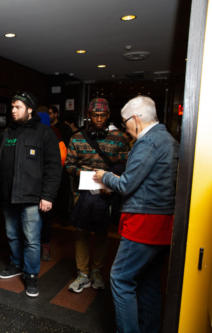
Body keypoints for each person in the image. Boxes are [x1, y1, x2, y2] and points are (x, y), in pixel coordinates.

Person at [94, 96, 178, 333]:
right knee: (149, 281)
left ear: (136, 119)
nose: (125, 128)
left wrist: (105, 176)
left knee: (120, 279)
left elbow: (126, 185)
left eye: (125, 122)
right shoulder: (169, 140)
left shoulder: (148, 142)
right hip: (164, 221)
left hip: (145, 222)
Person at [0, 91, 62, 298]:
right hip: (8, 196)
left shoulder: (44, 133)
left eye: (18, 107)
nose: (13, 111)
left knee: (32, 239)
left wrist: (48, 196)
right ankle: (15, 264)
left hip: (32, 197)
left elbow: (53, 167)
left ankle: (31, 275)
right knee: (12, 234)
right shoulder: (8, 132)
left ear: (29, 109)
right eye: (12, 107)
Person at [65, 97, 130, 293]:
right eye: (95, 115)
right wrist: (84, 175)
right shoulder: (77, 138)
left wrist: (110, 178)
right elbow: (68, 165)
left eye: (102, 115)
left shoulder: (120, 138)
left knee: (102, 234)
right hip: (83, 193)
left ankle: (96, 272)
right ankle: (82, 273)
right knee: (81, 233)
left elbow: (127, 165)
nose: (99, 119)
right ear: (89, 116)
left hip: (107, 193)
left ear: (108, 116)